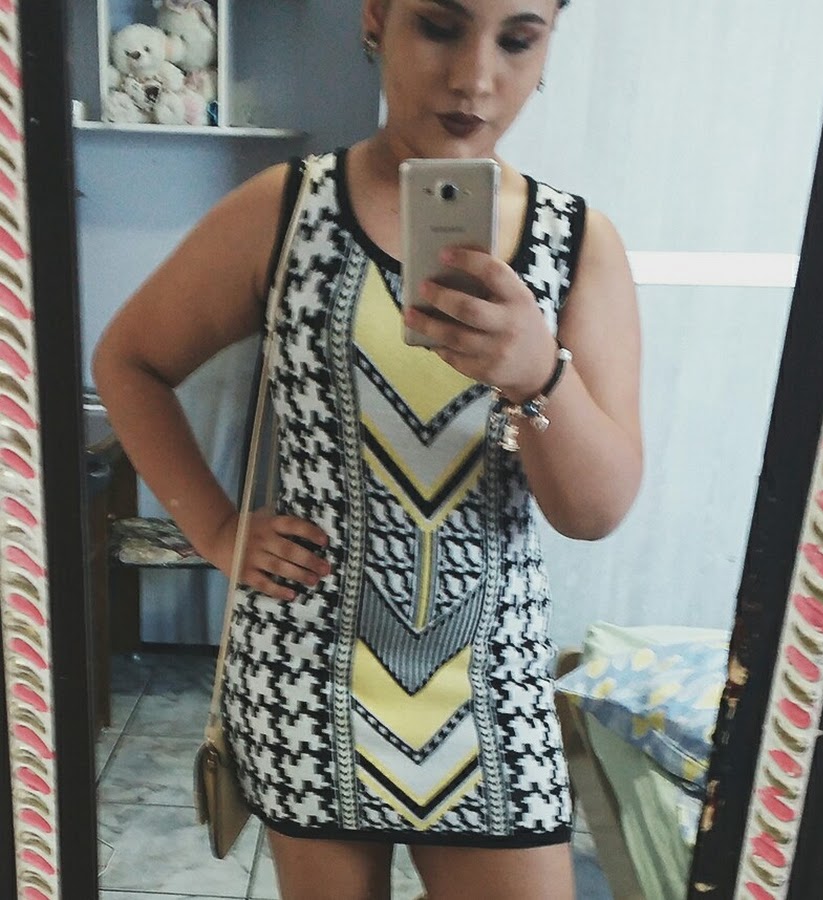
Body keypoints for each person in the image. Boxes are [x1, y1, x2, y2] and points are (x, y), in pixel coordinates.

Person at [92, 1, 643, 897]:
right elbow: (129, 361)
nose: (475, 78)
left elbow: (594, 511)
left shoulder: (577, 242)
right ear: (377, 18)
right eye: (440, 27)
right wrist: (219, 531)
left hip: (492, 679)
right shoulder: (285, 209)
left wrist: (539, 374)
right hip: (308, 668)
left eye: (517, 38)